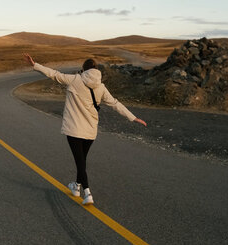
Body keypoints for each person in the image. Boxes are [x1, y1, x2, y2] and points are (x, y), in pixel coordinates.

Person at [23, 53, 146, 205]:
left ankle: (87, 193)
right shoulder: (101, 87)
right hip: (90, 132)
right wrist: (133, 117)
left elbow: (54, 74)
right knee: (81, 161)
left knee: (80, 162)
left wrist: (35, 65)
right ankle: (76, 187)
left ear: (84, 69)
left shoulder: (75, 80)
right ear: (96, 70)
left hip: (74, 130)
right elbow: (115, 103)